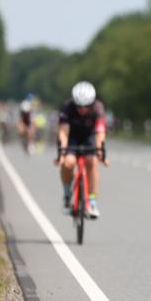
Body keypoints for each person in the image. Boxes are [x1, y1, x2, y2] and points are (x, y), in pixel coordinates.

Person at [55, 81, 109, 217]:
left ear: (92, 103)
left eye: (86, 106)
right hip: (72, 136)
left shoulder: (98, 108)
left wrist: (101, 153)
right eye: (79, 106)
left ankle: (92, 202)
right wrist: (62, 153)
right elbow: (63, 132)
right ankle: (67, 196)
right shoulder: (67, 107)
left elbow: (100, 133)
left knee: (92, 161)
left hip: (89, 136)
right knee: (69, 162)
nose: (83, 109)